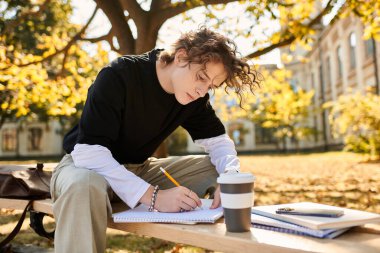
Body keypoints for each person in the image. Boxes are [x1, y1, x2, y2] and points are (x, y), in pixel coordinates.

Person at [50, 27, 260, 253]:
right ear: (180, 57)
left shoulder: (194, 98)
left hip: (137, 170)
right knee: (85, 184)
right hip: (85, 167)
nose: (202, 91)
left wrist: (230, 179)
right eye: (201, 77)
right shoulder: (119, 74)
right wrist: (154, 197)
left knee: (220, 172)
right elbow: (88, 152)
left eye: (210, 86)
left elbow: (218, 142)